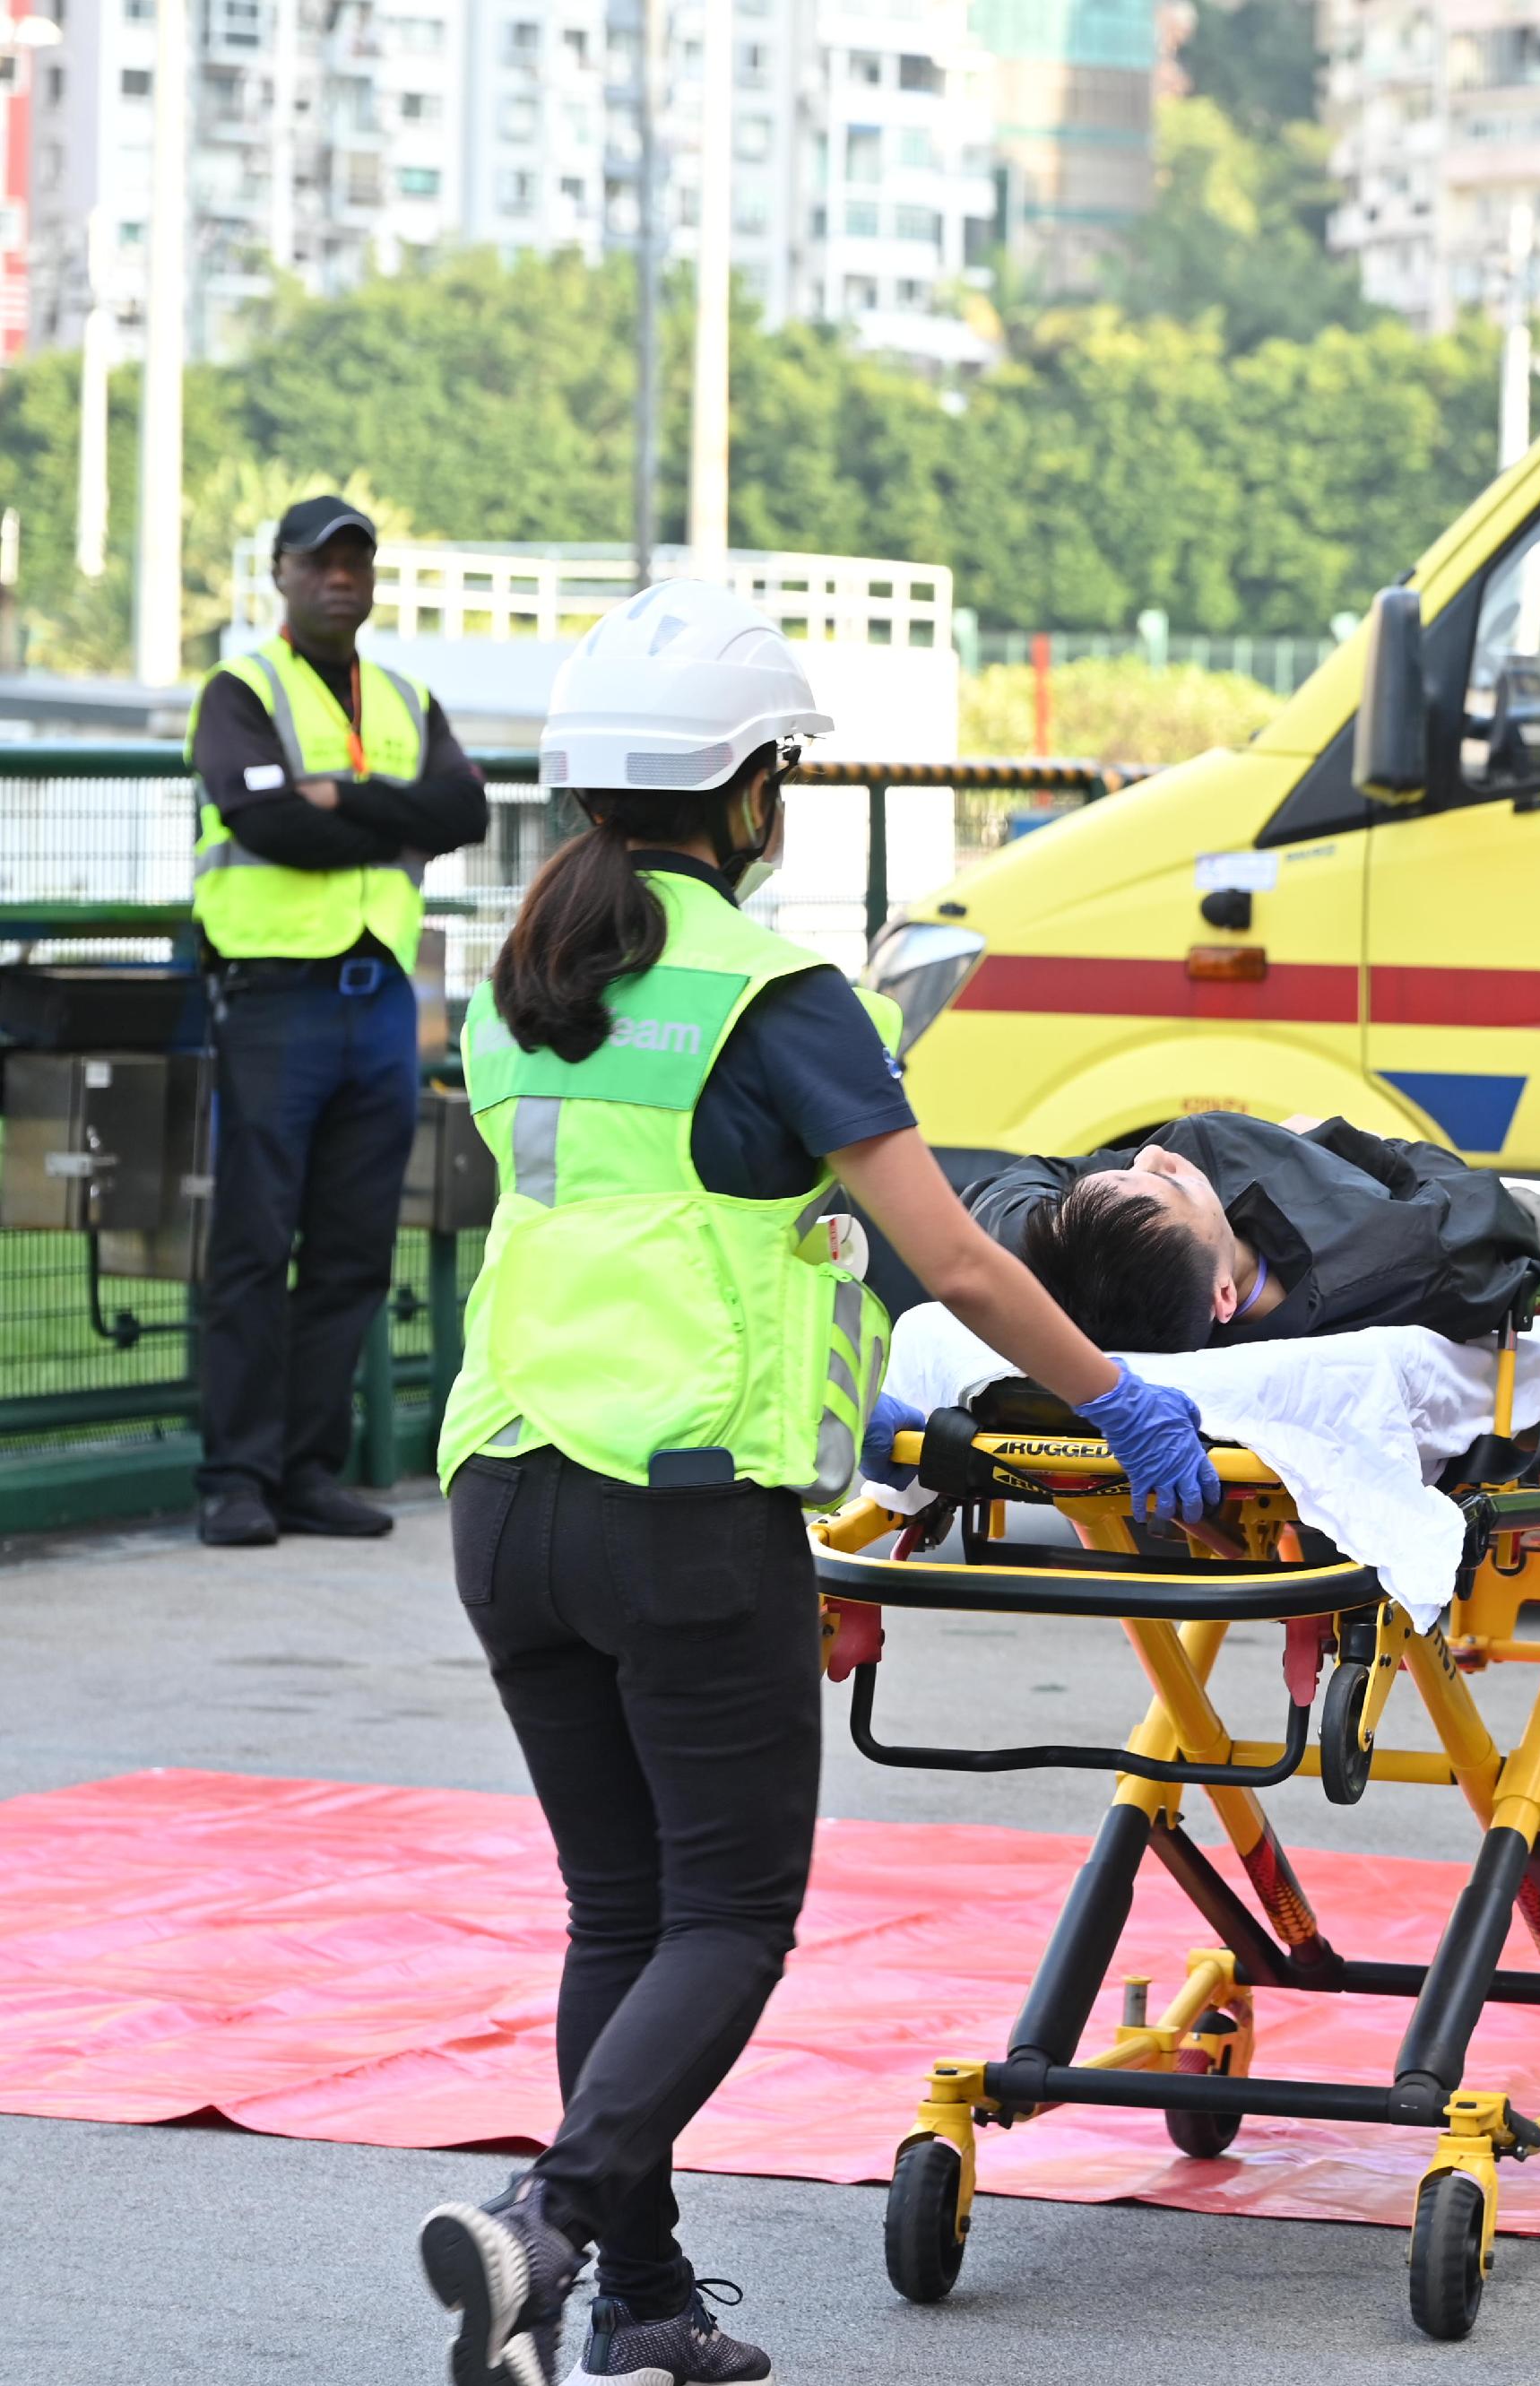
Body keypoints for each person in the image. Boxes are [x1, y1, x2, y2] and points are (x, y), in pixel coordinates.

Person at [412, 584, 1219, 2386]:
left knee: (616, 1913)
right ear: (750, 790)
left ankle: (635, 2301)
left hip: (507, 1488)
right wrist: (1119, 1400)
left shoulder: (524, 985)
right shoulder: (776, 994)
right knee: (724, 1918)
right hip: (682, 1506)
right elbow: (966, 1261)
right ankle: (544, 2229)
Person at [186, 494, 489, 1546]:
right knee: (254, 1246)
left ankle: (307, 1470)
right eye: (319, 562)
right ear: (279, 572)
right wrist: (376, 811)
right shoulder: (240, 690)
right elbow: (264, 823)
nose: (340, 578)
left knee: (357, 1251)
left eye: (356, 562)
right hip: (275, 1003)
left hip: (378, 1008)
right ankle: (235, 1477)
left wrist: (338, 797)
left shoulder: (405, 697)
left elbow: (467, 814)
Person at [960, 1108, 1540, 1354]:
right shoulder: (1405, 1255)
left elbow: (1003, 1198)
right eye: (1173, 1185)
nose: (1152, 1156)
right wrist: (1345, 1144)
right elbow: (1489, 1216)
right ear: (1223, 1295)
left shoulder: (1088, 1257)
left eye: (1126, 1172)